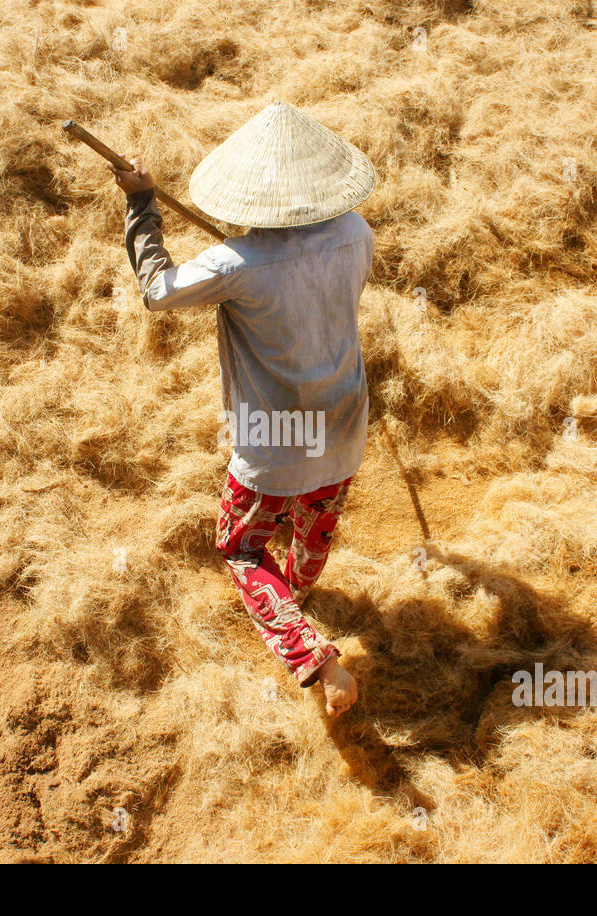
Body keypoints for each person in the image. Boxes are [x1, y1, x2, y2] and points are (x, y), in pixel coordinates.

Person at [113, 100, 375, 717]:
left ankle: (313, 654)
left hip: (274, 439)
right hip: (342, 422)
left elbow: (158, 290)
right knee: (317, 523)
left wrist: (141, 203)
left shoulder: (235, 265)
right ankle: (300, 592)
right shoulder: (356, 233)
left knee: (239, 548)